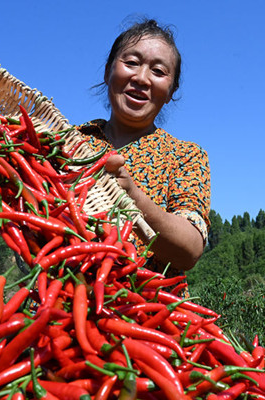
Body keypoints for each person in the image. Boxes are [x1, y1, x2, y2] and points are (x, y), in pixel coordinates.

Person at [77, 19, 211, 278]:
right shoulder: (70, 141)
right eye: (131, 63)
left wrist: (132, 197)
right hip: (62, 303)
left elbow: (190, 250)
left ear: (171, 91)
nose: (141, 78)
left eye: (159, 71)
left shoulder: (185, 156)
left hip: (146, 312)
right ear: (107, 72)